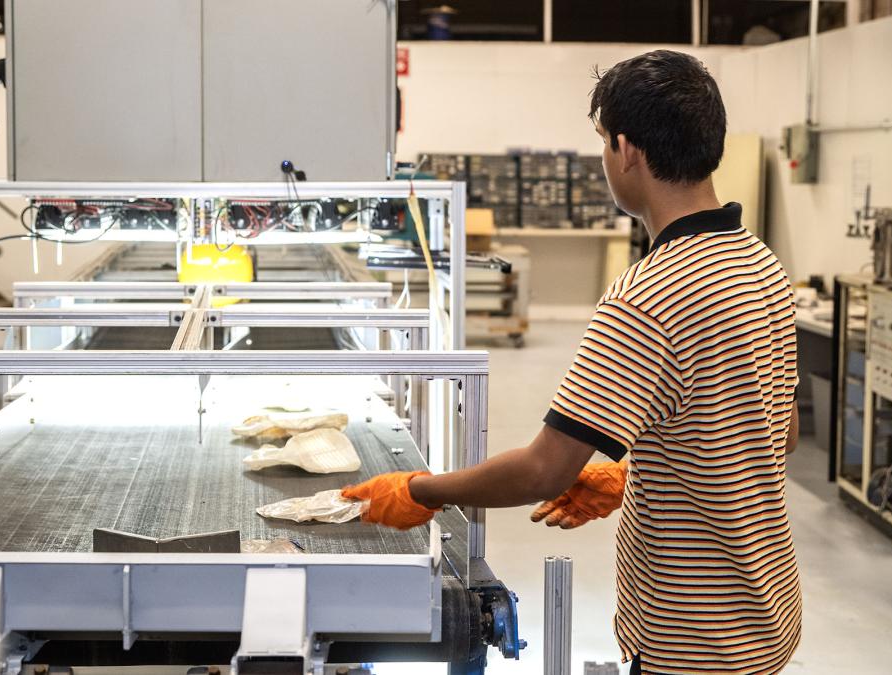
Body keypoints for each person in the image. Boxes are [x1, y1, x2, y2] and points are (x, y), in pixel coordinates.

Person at [343, 50, 802, 675]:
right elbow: (776, 429)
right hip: (766, 614)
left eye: (601, 143)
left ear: (625, 149)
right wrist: (636, 472)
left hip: (693, 638)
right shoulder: (760, 263)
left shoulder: (649, 294)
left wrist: (420, 491)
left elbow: (542, 470)